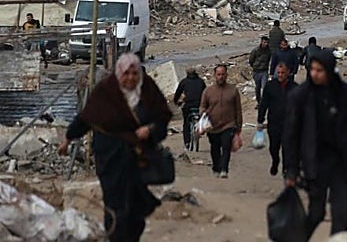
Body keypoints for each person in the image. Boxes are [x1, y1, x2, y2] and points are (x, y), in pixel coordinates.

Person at [58, 53, 171, 241]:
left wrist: (150, 130)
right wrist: (68, 139)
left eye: (134, 73)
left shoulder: (148, 89)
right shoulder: (106, 91)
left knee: (136, 207)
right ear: (119, 73)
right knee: (115, 204)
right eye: (126, 73)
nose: (130, 78)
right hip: (110, 157)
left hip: (138, 159)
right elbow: (86, 118)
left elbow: (162, 118)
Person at [283, 49, 347, 238]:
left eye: (319, 70)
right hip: (315, 162)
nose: (314, 74)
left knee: (341, 214)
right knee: (316, 213)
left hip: (340, 162)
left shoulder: (343, 94)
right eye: (312, 69)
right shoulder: (301, 96)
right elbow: (291, 136)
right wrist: (291, 170)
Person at [199, 63, 242, 178]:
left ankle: (224, 169)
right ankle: (216, 168)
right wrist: (203, 114)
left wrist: (238, 128)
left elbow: (238, 110)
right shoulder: (208, 91)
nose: (221, 77)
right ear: (215, 75)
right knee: (215, 149)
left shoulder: (233, 90)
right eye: (218, 74)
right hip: (212, 126)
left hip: (228, 125)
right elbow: (202, 106)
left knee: (226, 147)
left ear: (226, 75)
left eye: (223, 74)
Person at [256, 61, 295, 177]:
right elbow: (264, 104)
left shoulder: (295, 88)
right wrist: (260, 119)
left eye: (283, 72)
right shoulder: (270, 86)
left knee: (287, 148)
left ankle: (286, 169)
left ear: (288, 73)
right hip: (274, 123)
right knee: (274, 147)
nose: (280, 75)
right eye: (278, 73)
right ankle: (275, 160)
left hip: (289, 124)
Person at [173, 67, 206, 151]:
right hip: (199, 105)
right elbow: (205, 93)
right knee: (201, 117)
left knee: (186, 123)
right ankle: (199, 129)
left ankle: (187, 142)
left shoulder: (184, 82)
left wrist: (176, 102)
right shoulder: (201, 81)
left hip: (188, 105)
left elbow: (177, 94)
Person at [249, 36, 272, 103]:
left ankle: (264, 102)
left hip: (264, 71)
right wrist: (254, 66)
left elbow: (269, 60)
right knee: (257, 88)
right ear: (261, 42)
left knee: (264, 87)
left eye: (267, 42)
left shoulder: (269, 51)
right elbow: (251, 60)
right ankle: (258, 102)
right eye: (264, 42)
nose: (266, 44)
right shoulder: (255, 50)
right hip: (256, 71)